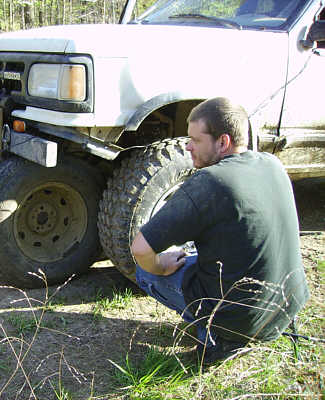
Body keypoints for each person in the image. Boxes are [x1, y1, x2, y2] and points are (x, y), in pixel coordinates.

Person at [130, 97, 309, 364]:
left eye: (195, 140)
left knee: (144, 271)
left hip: (240, 321)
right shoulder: (273, 164)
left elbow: (140, 248)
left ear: (223, 142)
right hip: (288, 302)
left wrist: (159, 265)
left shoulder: (209, 182)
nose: (188, 146)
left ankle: (218, 336)